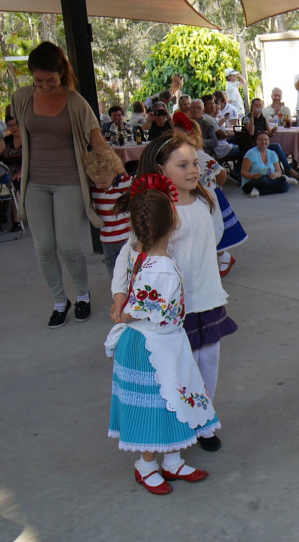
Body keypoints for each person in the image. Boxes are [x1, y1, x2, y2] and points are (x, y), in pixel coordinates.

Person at [111, 134, 236, 451]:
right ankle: (182, 422)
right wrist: (119, 293)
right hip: (173, 308)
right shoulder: (156, 208)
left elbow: (215, 239)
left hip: (208, 297)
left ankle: (204, 420)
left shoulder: (206, 199)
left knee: (209, 360)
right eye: (183, 165)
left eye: (195, 163)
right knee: (182, 367)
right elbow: (129, 253)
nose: (193, 170)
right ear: (160, 169)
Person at [105, 174, 217, 496]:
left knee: (173, 401)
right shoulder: (161, 268)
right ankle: (146, 465)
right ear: (173, 223)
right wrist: (123, 312)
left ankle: (172, 459)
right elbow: (141, 307)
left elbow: (129, 281)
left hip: (163, 342)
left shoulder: (141, 253)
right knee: (156, 406)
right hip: (150, 346)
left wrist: (122, 304)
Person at [12, 41, 111, 328]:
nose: (44, 86)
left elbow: (97, 141)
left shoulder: (76, 102)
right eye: (38, 80)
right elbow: (21, 133)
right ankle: (59, 301)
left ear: (61, 74)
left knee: (68, 246)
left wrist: (112, 172)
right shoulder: (21, 97)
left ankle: (82, 295)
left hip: (69, 181)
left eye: (51, 80)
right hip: (34, 182)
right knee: (43, 247)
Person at [173, 112, 248, 278]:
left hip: (207, 197)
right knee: (200, 231)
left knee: (212, 230)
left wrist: (216, 186)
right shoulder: (179, 157)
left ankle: (223, 257)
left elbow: (221, 172)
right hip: (194, 198)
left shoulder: (199, 156)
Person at [84, 147, 132, 278]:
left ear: (115, 172)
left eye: (103, 182)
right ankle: (116, 288)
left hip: (127, 237)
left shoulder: (127, 184)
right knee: (112, 267)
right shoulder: (94, 188)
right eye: (95, 182)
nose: (99, 186)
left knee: (130, 267)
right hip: (107, 239)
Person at [240, 98, 299, 180]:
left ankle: (286, 169)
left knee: (278, 146)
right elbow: (251, 132)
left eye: (260, 105)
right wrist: (252, 118)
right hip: (252, 144)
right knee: (276, 146)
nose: (258, 107)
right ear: (252, 107)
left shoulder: (263, 118)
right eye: (256, 105)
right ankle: (288, 169)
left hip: (262, 144)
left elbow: (269, 134)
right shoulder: (247, 118)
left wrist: (273, 130)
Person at [240, 131, 298, 197]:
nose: (263, 142)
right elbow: (243, 172)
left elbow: (279, 171)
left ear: (269, 141)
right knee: (264, 180)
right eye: (260, 140)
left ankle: (259, 192)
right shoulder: (251, 154)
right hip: (252, 181)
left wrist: (275, 175)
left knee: (285, 186)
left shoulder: (272, 153)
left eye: (266, 140)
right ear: (256, 141)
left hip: (269, 179)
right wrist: (253, 176)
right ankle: (283, 178)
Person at [191, 97, 238, 164]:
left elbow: (214, 141)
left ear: (202, 109)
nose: (196, 110)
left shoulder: (206, 122)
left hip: (204, 153)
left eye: (198, 108)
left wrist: (196, 141)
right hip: (217, 152)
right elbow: (221, 136)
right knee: (244, 149)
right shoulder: (187, 123)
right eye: (193, 108)